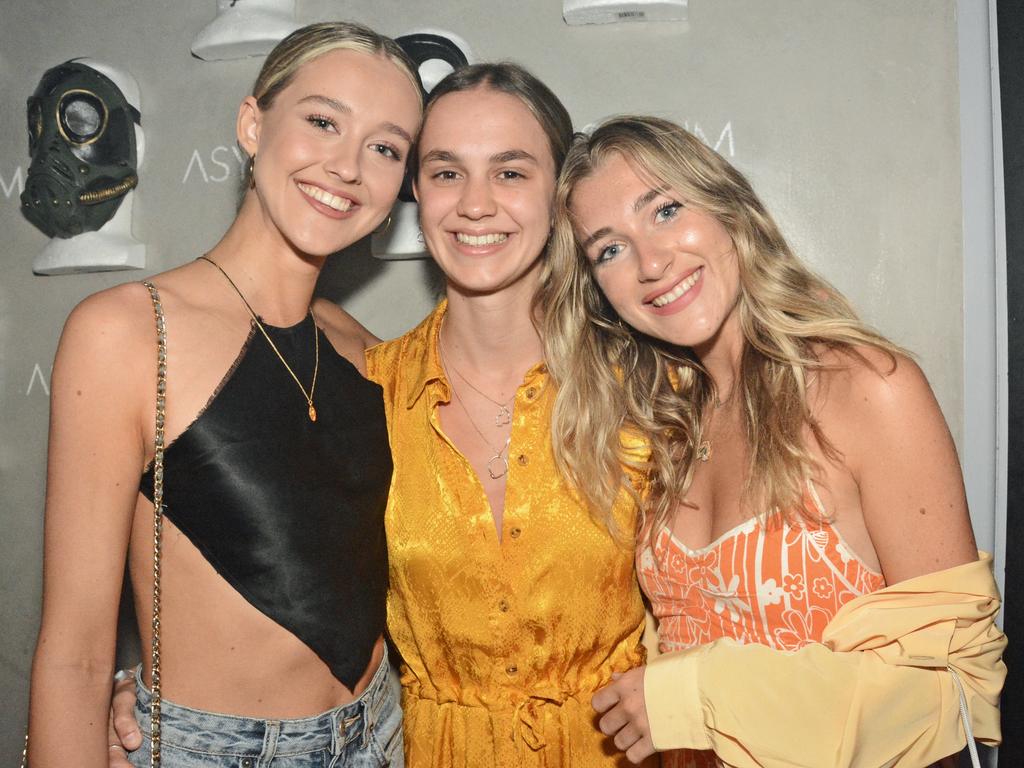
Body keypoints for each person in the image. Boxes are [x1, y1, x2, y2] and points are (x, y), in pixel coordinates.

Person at [111, 62, 648, 767]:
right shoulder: (368, 382)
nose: (476, 205)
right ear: (414, 193)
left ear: (560, 195)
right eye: (446, 172)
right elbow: (291, 576)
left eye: (512, 172)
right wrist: (150, 698)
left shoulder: (644, 388)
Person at [543, 115, 1007, 767]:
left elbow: (954, 684)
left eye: (667, 209)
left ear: (729, 207)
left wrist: (698, 695)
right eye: (610, 250)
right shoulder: (666, 422)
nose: (651, 262)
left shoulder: (867, 388)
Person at [28, 21, 422, 768]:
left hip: (383, 735)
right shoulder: (126, 332)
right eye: (322, 121)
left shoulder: (367, 352)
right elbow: (74, 652)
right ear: (252, 123)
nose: (347, 166)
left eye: (385, 147)